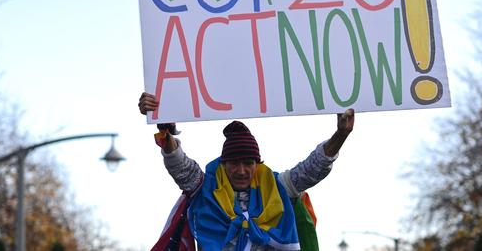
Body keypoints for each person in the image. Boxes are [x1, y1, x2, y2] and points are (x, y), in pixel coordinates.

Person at [138, 92, 355, 251]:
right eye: (234, 163)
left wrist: (341, 134)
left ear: (257, 164)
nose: (241, 170)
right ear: (223, 164)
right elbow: (179, 165)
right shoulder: (204, 188)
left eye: (248, 163)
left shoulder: (279, 187)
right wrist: (163, 128)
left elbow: (313, 169)